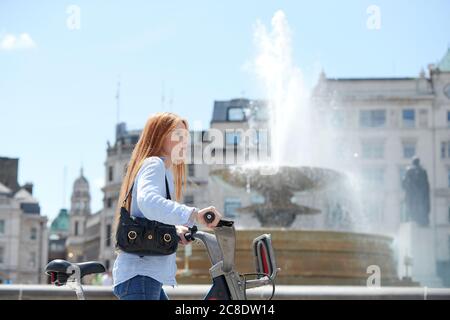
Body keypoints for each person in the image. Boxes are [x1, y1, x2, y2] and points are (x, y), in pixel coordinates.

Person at [112, 112, 222, 300]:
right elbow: (148, 202)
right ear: (159, 136)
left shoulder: (159, 169)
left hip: (145, 276)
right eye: (178, 136)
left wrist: (173, 230)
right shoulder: (154, 164)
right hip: (142, 276)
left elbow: (148, 216)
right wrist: (194, 214)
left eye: (186, 137)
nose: (185, 142)